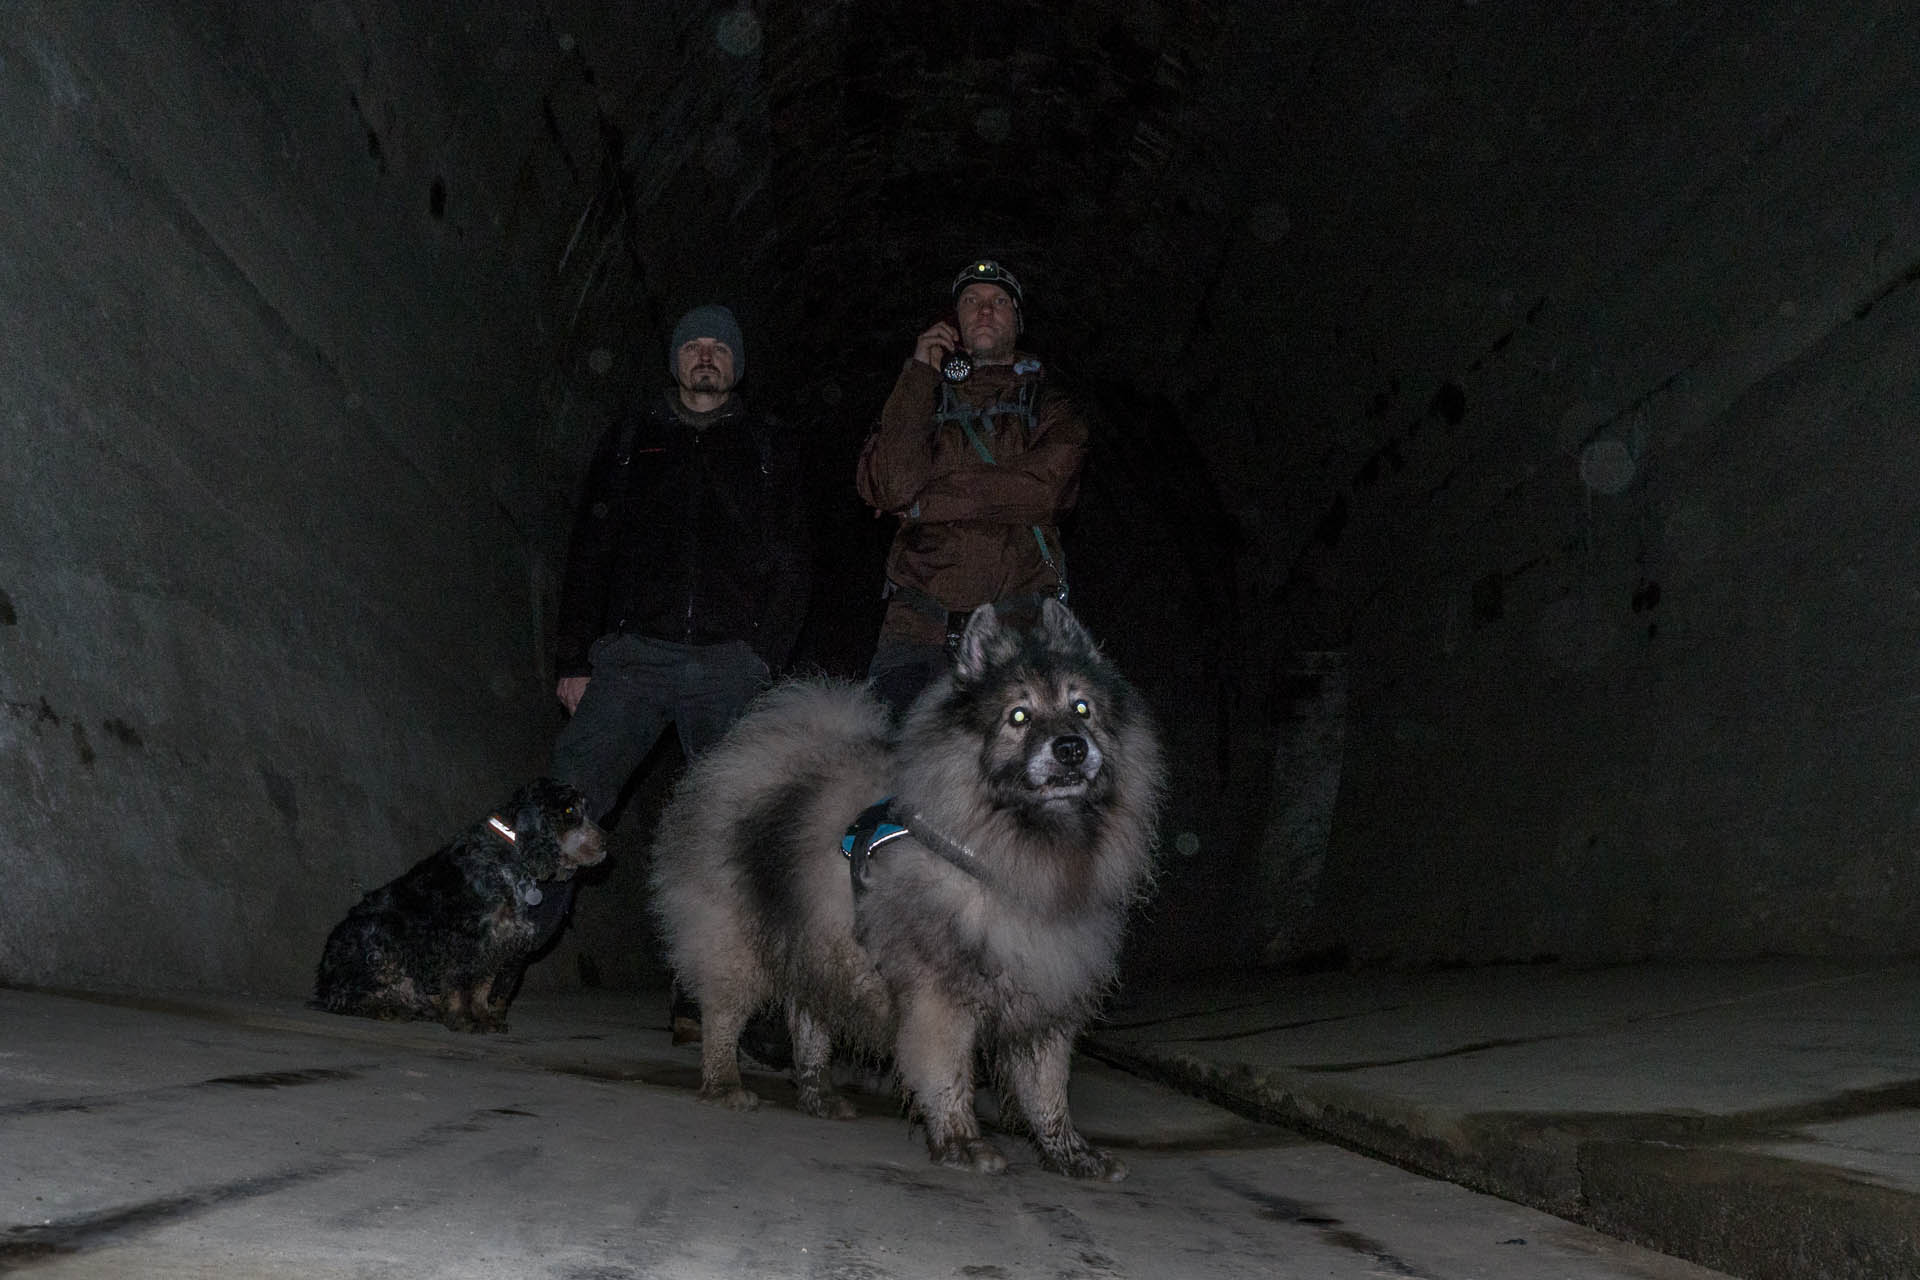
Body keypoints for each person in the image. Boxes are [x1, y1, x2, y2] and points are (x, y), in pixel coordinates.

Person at [538, 304, 810, 986]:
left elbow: (796, 558)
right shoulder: (634, 438)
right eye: (695, 346)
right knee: (563, 802)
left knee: (732, 832)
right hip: (632, 659)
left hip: (727, 666)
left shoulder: (767, 446)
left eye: (721, 347)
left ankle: (713, 994)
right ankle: (506, 952)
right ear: (676, 360)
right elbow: (590, 548)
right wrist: (573, 657)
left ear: (737, 365)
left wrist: (762, 656)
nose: (707, 356)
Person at [856, 259, 1090, 714]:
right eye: (971, 302)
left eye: (999, 302)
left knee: (1010, 776)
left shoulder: (1049, 402)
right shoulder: (920, 397)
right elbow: (890, 486)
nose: (985, 311)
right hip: (916, 628)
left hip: (1017, 631)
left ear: (1018, 323)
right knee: (893, 769)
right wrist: (919, 374)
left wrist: (927, 504)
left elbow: (1043, 492)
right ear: (954, 322)